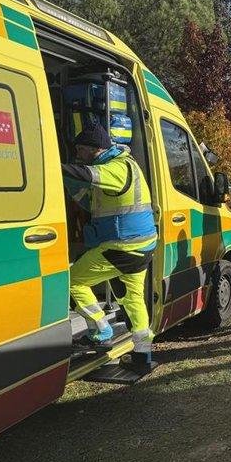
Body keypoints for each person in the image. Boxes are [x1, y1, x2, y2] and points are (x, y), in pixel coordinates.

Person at [62, 124, 158, 374]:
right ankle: (142, 356)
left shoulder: (115, 168)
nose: (78, 154)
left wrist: (50, 165)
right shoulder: (126, 164)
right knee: (132, 299)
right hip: (140, 245)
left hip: (123, 247)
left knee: (72, 283)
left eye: (81, 149)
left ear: (95, 149)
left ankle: (101, 331)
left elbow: (86, 175)